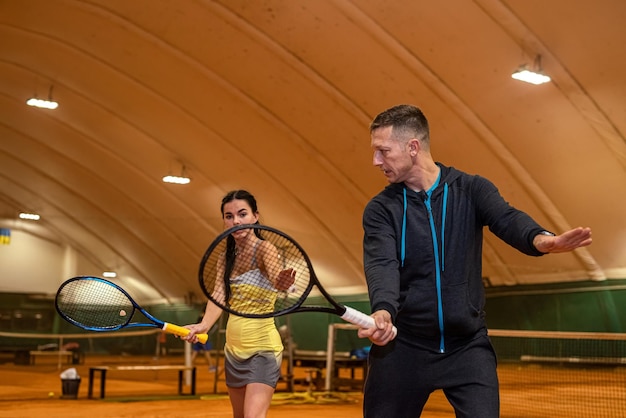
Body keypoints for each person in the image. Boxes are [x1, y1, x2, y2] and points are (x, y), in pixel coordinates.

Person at [357, 104, 593, 418]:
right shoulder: (380, 210)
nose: (376, 161)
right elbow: (381, 263)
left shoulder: (471, 189)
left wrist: (541, 239)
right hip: (403, 348)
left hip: (467, 347)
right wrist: (384, 310)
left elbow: (507, 218)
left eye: (383, 151)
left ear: (413, 147)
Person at [184, 189, 295, 418]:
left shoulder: (265, 249)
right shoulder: (226, 256)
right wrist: (204, 325)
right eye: (229, 216)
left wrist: (281, 282)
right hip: (233, 350)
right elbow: (219, 294)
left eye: (242, 214)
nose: (236, 221)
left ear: (255, 216)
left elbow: (275, 278)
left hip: (263, 349)